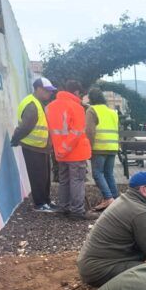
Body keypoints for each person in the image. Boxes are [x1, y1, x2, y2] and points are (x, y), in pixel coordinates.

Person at [77, 172, 146, 287]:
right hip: (100, 270)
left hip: (93, 265)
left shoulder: (128, 199)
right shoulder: (140, 212)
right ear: (144, 190)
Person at [46, 79, 98, 220]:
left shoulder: (50, 107)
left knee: (64, 180)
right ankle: (77, 211)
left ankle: (64, 208)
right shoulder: (77, 108)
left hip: (60, 153)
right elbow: (76, 132)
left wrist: (61, 150)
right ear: (76, 92)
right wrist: (66, 148)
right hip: (75, 152)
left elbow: (52, 130)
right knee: (77, 181)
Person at [11, 77, 58, 212]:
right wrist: (15, 139)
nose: (50, 93)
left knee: (44, 176)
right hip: (33, 147)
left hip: (41, 147)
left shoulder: (38, 103)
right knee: (38, 176)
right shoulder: (32, 105)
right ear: (38, 89)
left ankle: (46, 201)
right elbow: (25, 127)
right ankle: (40, 203)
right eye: (47, 91)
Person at [85, 87, 120, 211]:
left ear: (91, 99)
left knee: (97, 173)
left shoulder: (92, 110)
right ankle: (115, 198)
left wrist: (88, 148)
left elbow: (89, 131)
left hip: (99, 147)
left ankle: (108, 198)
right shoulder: (112, 112)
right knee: (109, 174)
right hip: (112, 147)